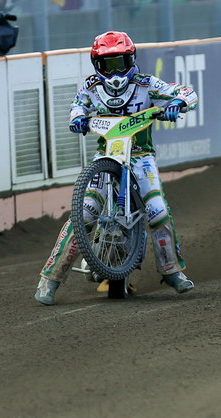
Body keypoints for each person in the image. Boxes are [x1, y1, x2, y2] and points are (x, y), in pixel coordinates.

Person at [34, 31, 198, 305]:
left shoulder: (146, 84)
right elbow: (78, 105)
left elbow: (185, 92)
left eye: (120, 62)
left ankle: (172, 270)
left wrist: (177, 104)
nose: (114, 70)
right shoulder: (90, 87)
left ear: (131, 59)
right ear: (97, 65)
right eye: (108, 64)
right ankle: (49, 279)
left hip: (140, 156)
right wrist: (77, 119)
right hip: (106, 156)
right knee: (84, 214)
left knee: (157, 209)